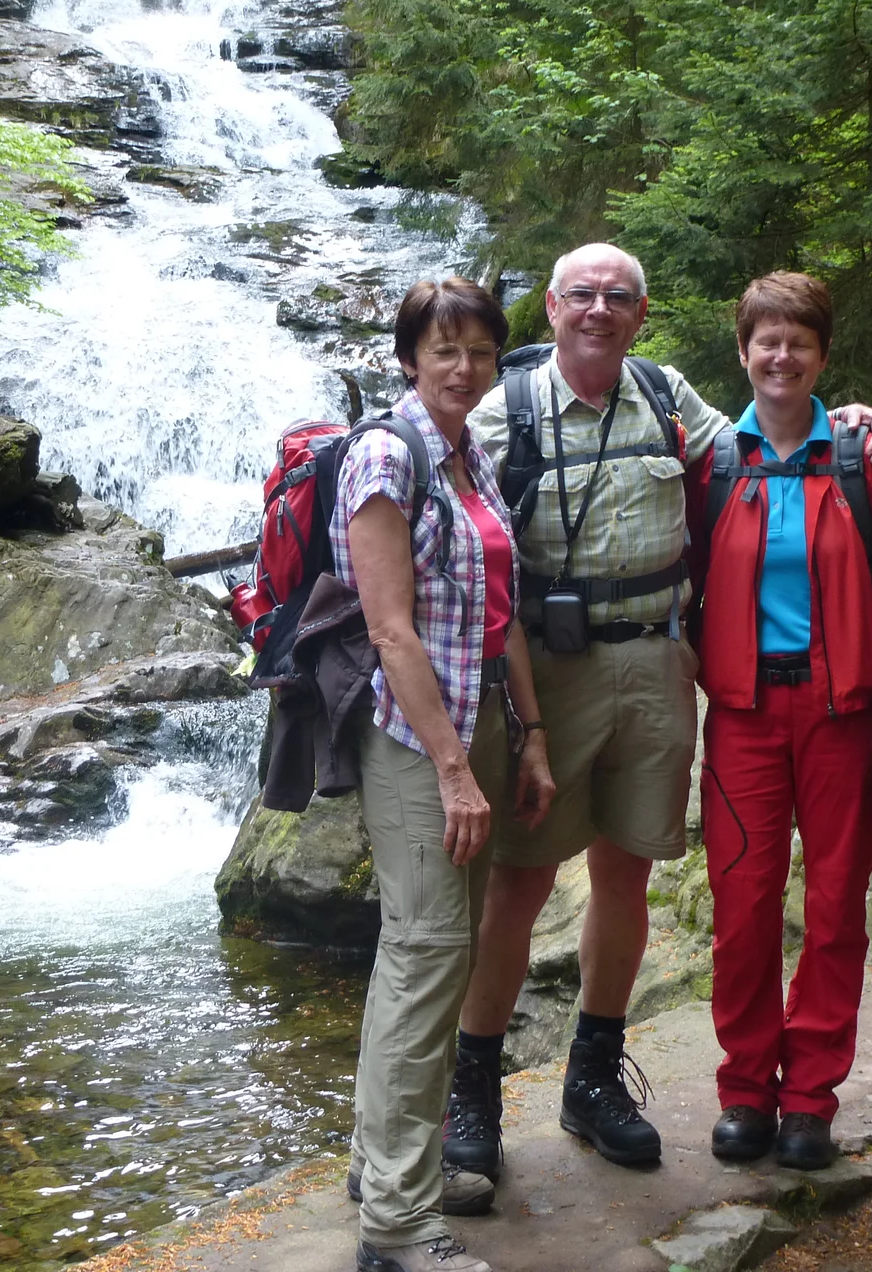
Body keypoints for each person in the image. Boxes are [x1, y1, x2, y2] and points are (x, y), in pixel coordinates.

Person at [450, 243, 872, 1176]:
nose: (599, 310)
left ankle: (604, 1082)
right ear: (553, 304)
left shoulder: (677, 408)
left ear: (643, 311)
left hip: (674, 674)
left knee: (632, 878)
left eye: (618, 296)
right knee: (525, 885)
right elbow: (446, 506)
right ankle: (475, 1095)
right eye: (583, 294)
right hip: (569, 678)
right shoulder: (505, 413)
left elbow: (799, 453)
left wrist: (865, 416)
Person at [335, 277, 556, 1272]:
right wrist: (458, 771)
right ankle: (397, 1225)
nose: (463, 366)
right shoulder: (388, 453)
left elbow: (495, 611)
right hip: (420, 747)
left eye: (479, 350)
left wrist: (534, 737)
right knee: (426, 957)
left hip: (477, 735)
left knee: (427, 959)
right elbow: (392, 629)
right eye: (444, 349)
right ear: (409, 358)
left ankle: (388, 1166)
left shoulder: (473, 454)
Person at [687, 273, 872, 1170]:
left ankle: (810, 1095)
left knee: (834, 909)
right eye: (766, 341)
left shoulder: (865, 459)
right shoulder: (710, 460)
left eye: (799, 342)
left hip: (841, 710)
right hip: (741, 711)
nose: (782, 357)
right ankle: (745, 1088)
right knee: (742, 910)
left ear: (823, 355)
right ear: (743, 352)